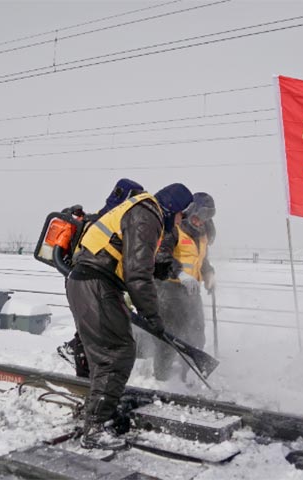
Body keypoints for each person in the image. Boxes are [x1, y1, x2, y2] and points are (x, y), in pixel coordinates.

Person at [66, 182, 192, 450]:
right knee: (116, 354)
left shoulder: (142, 211)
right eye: (182, 214)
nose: (181, 221)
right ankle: (95, 428)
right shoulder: (149, 214)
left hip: (92, 282)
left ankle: (97, 413)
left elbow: (134, 258)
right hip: (97, 283)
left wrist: (167, 268)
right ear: (173, 208)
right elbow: (136, 274)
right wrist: (153, 315)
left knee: (109, 354)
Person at [57, 179, 145, 378]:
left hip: (85, 280)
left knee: (92, 330)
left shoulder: (98, 218)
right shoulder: (108, 221)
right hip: (89, 281)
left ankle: (88, 378)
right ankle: (86, 380)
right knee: (92, 333)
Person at [152, 192, 216, 381]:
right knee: (169, 338)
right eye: (198, 217)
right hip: (168, 289)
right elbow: (161, 257)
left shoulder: (203, 235)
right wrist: (179, 274)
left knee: (196, 335)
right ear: (190, 212)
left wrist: (209, 274)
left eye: (205, 219)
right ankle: (162, 378)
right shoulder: (174, 229)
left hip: (191, 291)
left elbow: (202, 260)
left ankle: (185, 375)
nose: (200, 222)